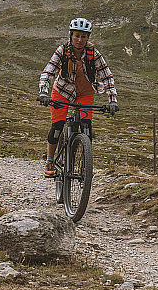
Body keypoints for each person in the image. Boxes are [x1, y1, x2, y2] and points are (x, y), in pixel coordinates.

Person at [38, 17, 119, 177]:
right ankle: (50, 160)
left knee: (86, 127)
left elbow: (107, 77)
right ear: (71, 35)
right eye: (76, 35)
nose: (80, 39)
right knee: (57, 127)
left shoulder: (93, 54)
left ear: (88, 37)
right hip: (62, 91)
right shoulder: (62, 51)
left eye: (83, 36)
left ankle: (84, 165)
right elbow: (48, 72)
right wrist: (43, 92)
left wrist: (112, 101)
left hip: (85, 92)